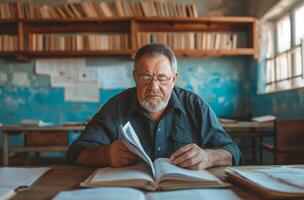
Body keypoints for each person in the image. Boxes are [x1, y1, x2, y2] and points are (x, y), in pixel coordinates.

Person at [67, 43, 241, 169]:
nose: (153, 87)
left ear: (174, 79)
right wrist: (105, 155)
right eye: (145, 77)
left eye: (162, 78)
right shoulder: (116, 106)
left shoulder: (195, 106)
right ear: (135, 77)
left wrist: (208, 157)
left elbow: (233, 152)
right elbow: (76, 152)